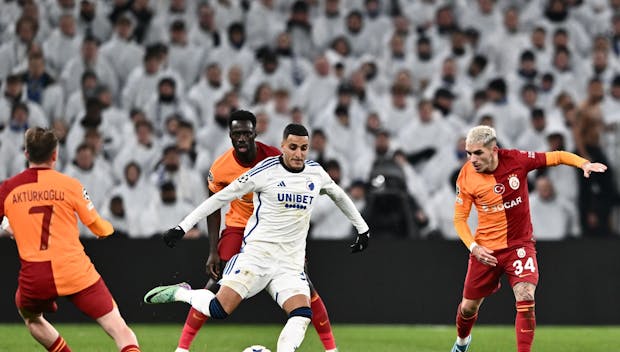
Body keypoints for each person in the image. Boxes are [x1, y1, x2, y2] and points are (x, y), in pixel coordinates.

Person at [145, 123, 370, 352]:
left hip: (289, 265)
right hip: (256, 257)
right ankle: (183, 293)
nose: (298, 154)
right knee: (218, 310)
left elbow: (339, 196)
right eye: (293, 147)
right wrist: (182, 227)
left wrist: (363, 229)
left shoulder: (315, 173)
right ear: (282, 146)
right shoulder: (265, 171)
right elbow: (220, 198)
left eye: (304, 148)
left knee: (301, 315)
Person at [450, 125, 607, 352]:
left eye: (478, 153)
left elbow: (556, 156)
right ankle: (462, 343)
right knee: (467, 308)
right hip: (485, 251)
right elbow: (459, 219)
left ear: (494, 150)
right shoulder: (466, 176)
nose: (472, 159)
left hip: (518, 246)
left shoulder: (517, 159)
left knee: (525, 296)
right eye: (468, 153)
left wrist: (582, 163)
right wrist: (474, 247)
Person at [0, 127, 141, 352]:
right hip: (75, 271)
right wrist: (109, 229)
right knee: (118, 328)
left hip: (35, 277)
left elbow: (8, 222)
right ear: (55, 155)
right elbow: (98, 227)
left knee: (31, 316)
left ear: (26, 154)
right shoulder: (71, 185)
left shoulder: (7, 189)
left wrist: (11, 226)